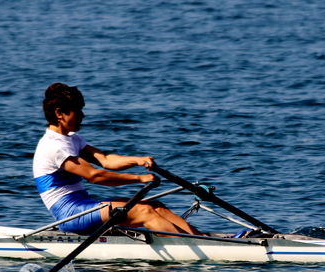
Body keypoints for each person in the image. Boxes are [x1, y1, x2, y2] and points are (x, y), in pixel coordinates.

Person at [33, 83, 203, 236]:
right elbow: (95, 176)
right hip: (70, 216)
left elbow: (106, 160)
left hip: (84, 206)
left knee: (156, 206)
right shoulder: (54, 146)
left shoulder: (72, 139)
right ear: (59, 113)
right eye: (78, 110)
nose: (83, 115)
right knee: (144, 211)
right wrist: (139, 178)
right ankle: (189, 249)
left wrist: (138, 160)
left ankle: (201, 240)